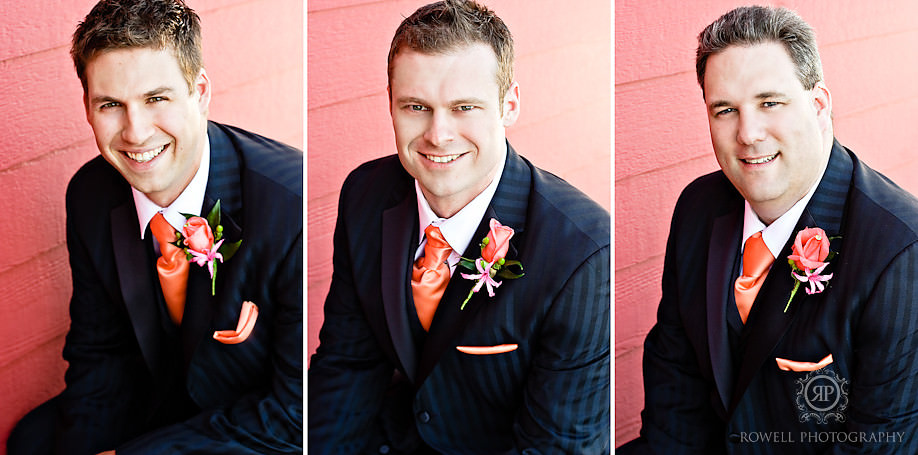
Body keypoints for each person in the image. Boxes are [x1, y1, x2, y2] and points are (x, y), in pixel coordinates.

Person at [307, 0, 610, 453]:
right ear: (390, 103)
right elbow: (346, 366)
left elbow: (555, 445)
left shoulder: (582, 253)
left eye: (464, 106)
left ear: (509, 105)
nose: (438, 134)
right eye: (416, 107)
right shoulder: (365, 195)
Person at [7, 0, 302, 453]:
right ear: (87, 107)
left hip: (249, 420)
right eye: (110, 104)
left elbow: (293, 415)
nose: (136, 132)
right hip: (151, 394)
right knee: (33, 441)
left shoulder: (288, 203)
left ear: (199, 91)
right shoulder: (91, 194)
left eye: (156, 99)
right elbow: (98, 353)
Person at [620, 5, 918, 454]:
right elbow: (674, 382)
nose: (748, 133)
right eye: (725, 110)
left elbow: (879, 442)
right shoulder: (698, 208)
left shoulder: (900, 251)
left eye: (769, 103)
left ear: (818, 104)